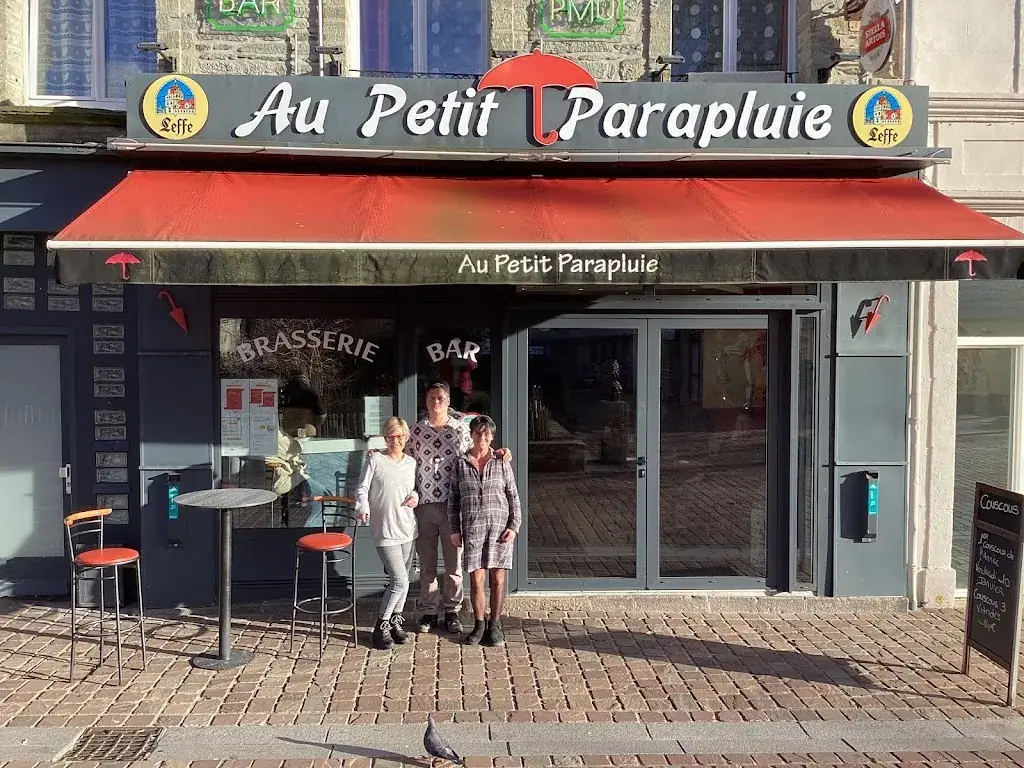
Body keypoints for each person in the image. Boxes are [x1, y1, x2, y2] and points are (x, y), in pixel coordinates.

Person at [406, 381, 512, 635]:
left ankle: (452, 610)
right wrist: (380, 453)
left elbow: (478, 451)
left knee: (453, 564)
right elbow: (404, 457)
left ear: (449, 401)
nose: (436, 402)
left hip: (454, 506)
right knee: (427, 562)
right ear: (426, 401)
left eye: (441, 398)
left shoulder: (460, 430)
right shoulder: (416, 430)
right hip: (425, 504)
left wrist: (500, 453)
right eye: (432, 397)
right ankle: (430, 611)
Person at [448, 415, 521, 647]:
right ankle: (479, 624)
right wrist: (454, 530)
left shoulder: (501, 462)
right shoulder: (461, 463)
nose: (483, 437)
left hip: (500, 530)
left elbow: (513, 497)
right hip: (473, 529)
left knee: (497, 579)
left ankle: (495, 624)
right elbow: (453, 500)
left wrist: (514, 526)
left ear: (493, 436)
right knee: (477, 581)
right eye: (479, 433)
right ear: (471, 435)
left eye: (488, 433)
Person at [355, 417, 419, 651]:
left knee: (403, 580)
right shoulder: (375, 459)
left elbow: (414, 488)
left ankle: (395, 621)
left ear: (406, 438)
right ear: (385, 437)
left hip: (407, 528)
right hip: (385, 530)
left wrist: (415, 496)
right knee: (400, 581)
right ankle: (380, 625)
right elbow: (362, 487)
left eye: (400, 436)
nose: (395, 440)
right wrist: (362, 506)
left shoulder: (411, 462)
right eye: (391, 436)